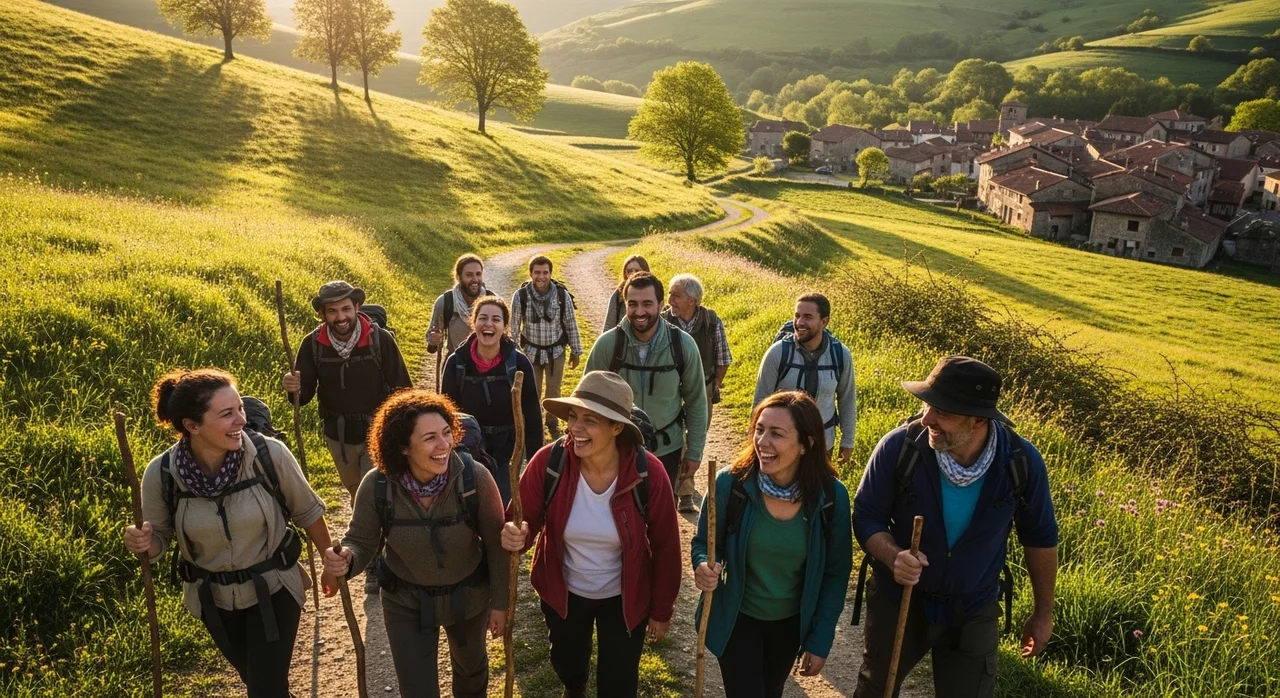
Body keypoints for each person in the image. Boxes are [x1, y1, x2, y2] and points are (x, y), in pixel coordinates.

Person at [852, 356, 1059, 698]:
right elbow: (866, 515)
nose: (927, 418)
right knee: (876, 690)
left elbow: (1040, 538)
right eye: (927, 405)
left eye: (943, 412)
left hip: (974, 607)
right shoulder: (900, 447)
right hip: (900, 599)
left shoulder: (1020, 462)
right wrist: (894, 556)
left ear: (979, 419)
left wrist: (1043, 613)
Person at [125, 369, 333, 697]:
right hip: (214, 602)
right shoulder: (161, 473)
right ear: (192, 426)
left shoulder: (268, 455)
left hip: (276, 588)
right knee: (263, 684)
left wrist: (329, 561)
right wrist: (144, 542)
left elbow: (308, 511)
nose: (240, 420)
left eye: (240, 409)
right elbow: (159, 539)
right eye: (227, 414)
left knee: (264, 691)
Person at [501, 371, 682, 698]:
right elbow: (520, 519)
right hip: (565, 590)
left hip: (625, 595)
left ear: (617, 428)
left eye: (590, 420)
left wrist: (662, 609)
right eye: (573, 416)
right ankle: (575, 685)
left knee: (619, 682)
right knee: (568, 666)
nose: (575, 428)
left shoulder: (647, 472)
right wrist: (516, 535)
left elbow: (667, 546)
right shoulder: (550, 462)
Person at [321, 389, 509, 698]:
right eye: (430, 438)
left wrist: (500, 603)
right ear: (403, 447)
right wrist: (347, 560)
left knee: (471, 674)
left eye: (448, 433)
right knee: (417, 690)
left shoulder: (475, 478)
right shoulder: (377, 485)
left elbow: (495, 544)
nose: (444, 445)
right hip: (405, 601)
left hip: (469, 598)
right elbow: (360, 541)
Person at [692, 390, 852, 698]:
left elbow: (836, 573)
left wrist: (820, 641)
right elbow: (704, 543)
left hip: (790, 624)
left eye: (776, 434)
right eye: (759, 429)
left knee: (770, 691)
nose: (762, 442)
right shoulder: (730, 485)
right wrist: (703, 564)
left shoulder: (831, 498)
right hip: (737, 617)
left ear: (806, 444)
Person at [282, 281, 413, 499]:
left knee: (375, 491)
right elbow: (303, 396)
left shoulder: (379, 339)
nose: (341, 317)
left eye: (346, 309)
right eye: (332, 311)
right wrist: (293, 388)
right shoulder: (313, 345)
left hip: (377, 430)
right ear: (322, 314)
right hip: (338, 435)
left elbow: (404, 391)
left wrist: (402, 431)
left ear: (357, 308)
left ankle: (377, 532)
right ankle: (365, 530)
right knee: (355, 491)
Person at [586, 272, 708, 501]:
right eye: (633, 304)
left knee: (659, 520)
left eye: (647, 304)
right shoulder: (607, 345)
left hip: (667, 451)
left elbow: (696, 401)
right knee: (617, 518)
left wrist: (693, 452)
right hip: (616, 449)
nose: (639, 312)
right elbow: (588, 401)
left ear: (661, 305)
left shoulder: (682, 345)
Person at [442, 296, 543, 505]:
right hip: (469, 446)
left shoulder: (519, 363)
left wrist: (535, 458)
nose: (488, 324)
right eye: (483, 318)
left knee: (503, 503)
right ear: (474, 322)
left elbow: (532, 411)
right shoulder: (457, 363)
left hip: (508, 447)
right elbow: (445, 413)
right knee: (470, 503)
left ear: (505, 326)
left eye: (496, 319)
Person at [753, 293, 856, 465]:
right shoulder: (777, 353)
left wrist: (848, 441)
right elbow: (760, 401)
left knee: (817, 491)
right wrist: (754, 443)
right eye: (797, 316)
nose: (799, 322)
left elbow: (847, 398)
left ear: (824, 322)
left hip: (823, 445)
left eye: (808, 317)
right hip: (781, 448)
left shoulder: (841, 355)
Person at [662, 272, 732, 513]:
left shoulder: (711, 321)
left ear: (692, 300)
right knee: (674, 439)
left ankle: (680, 490)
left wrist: (714, 387)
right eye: (670, 294)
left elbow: (723, 359)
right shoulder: (662, 321)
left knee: (695, 439)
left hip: (702, 388)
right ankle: (682, 492)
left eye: (675, 295)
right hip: (669, 389)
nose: (669, 299)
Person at [510, 255, 583, 440]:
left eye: (545, 272)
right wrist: (515, 354)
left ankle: (552, 421)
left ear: (551, 273)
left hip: (555, 352)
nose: (541, 277)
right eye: (537, 272)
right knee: (532, 390)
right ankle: (533, 422)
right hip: (530, 353)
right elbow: (514, 326)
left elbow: (570, 322)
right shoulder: (520, 296)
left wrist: (576, 351)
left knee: (554, 390)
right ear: (530, 273)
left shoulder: (561, 295)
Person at [429, 254, 494, 357]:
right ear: (458, 277)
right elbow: (432, 344)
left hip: (487, 363)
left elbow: (503, 337)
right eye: (469, 275)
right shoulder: (446, 302)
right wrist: (433, 340)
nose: (475, 279)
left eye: (478, 274)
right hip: (456, 364)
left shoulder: (492, 301)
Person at [603, 254, 650, 329]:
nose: (633, 274)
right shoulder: (618, 295)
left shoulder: (653, 292)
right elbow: (609, 325)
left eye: (637, 271)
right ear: (625, 274)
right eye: (629, 271)